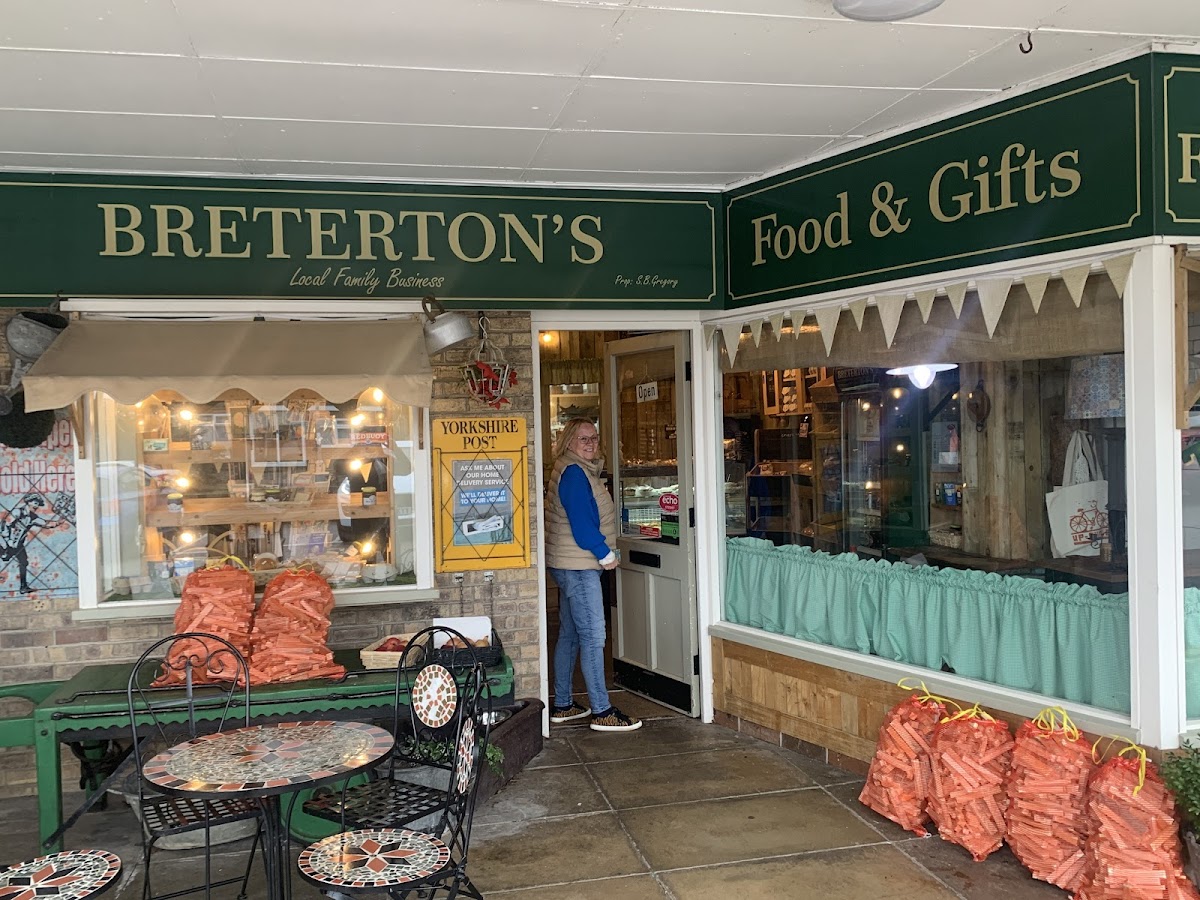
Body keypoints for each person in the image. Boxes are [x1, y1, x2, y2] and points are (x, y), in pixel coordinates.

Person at [545, 418, 641, 733]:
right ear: (569, 441)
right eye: (584, 439)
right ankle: (602, 709)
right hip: (580, 564)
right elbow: (583, 524)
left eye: (594, 438)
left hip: (568, 562)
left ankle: (562, 704)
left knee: (571, 634)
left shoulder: (573, 468)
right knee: (593, 637)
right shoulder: (574, 473)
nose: (591, 444)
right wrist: (604, 553)